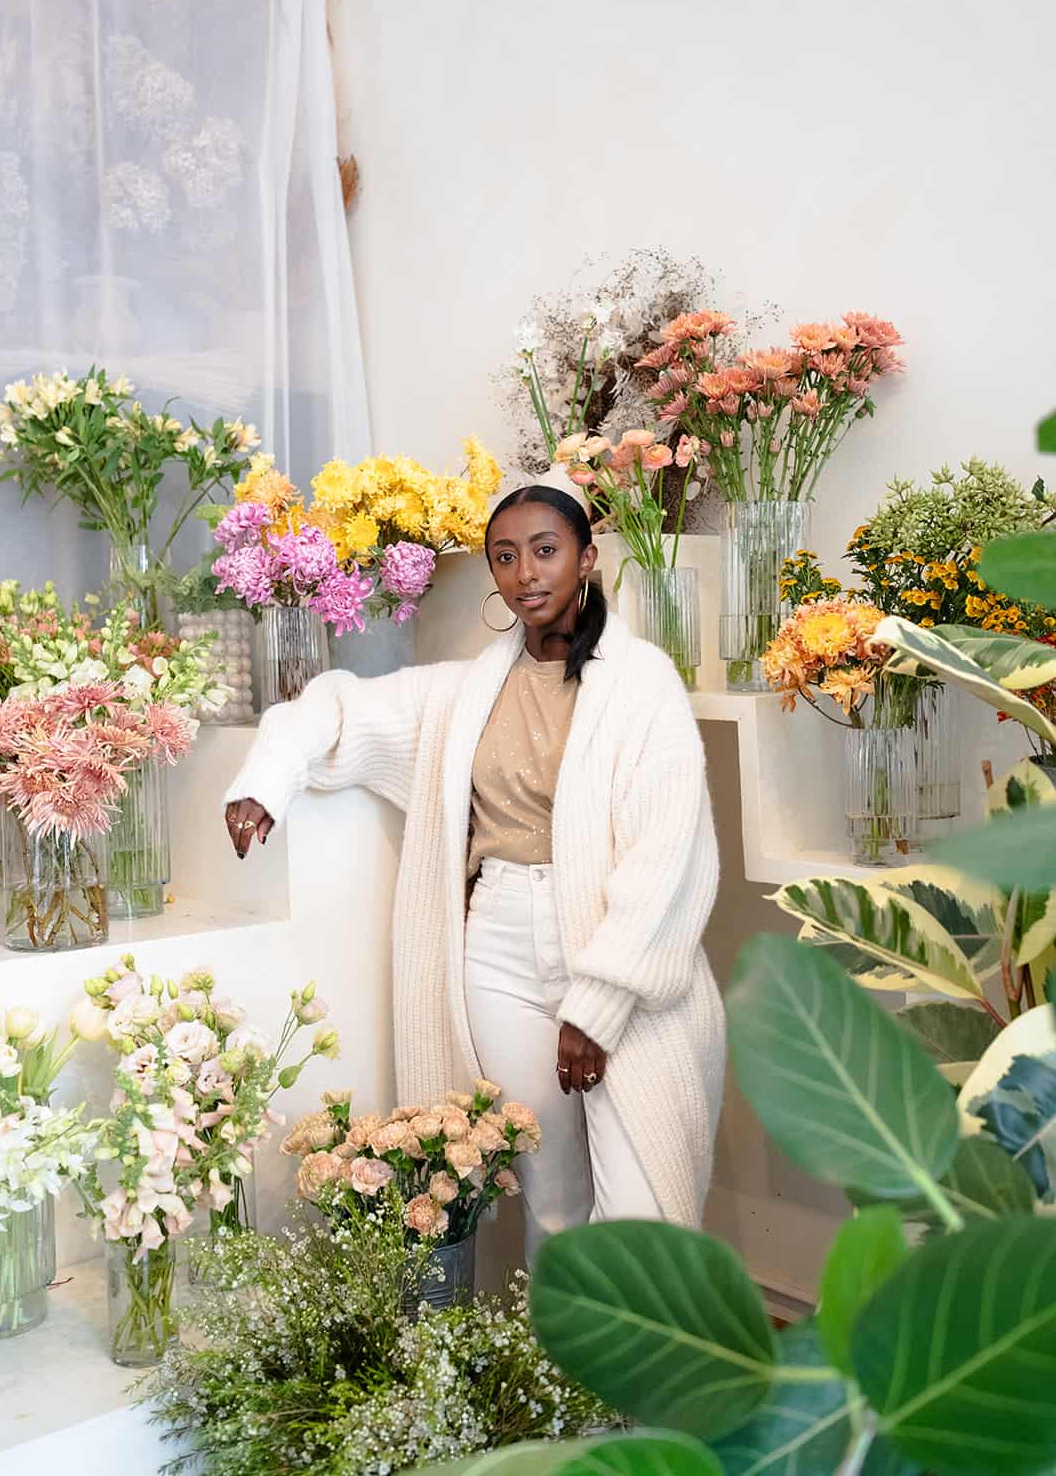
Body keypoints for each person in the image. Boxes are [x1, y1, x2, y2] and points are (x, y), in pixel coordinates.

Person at [224, 485, 724, 1260]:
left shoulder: (640, 684)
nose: (526, 572)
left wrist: (597, 1004)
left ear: (587, 558)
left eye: (546, 550)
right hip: (497, 951)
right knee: (551, 1199)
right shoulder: (465, 691)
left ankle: (644, 1346)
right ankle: (554, 1344)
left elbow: (668, 855)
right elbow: (340, 708)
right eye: (505, 556)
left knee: (641, 1212)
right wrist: (266, 779)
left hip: (612, 951)